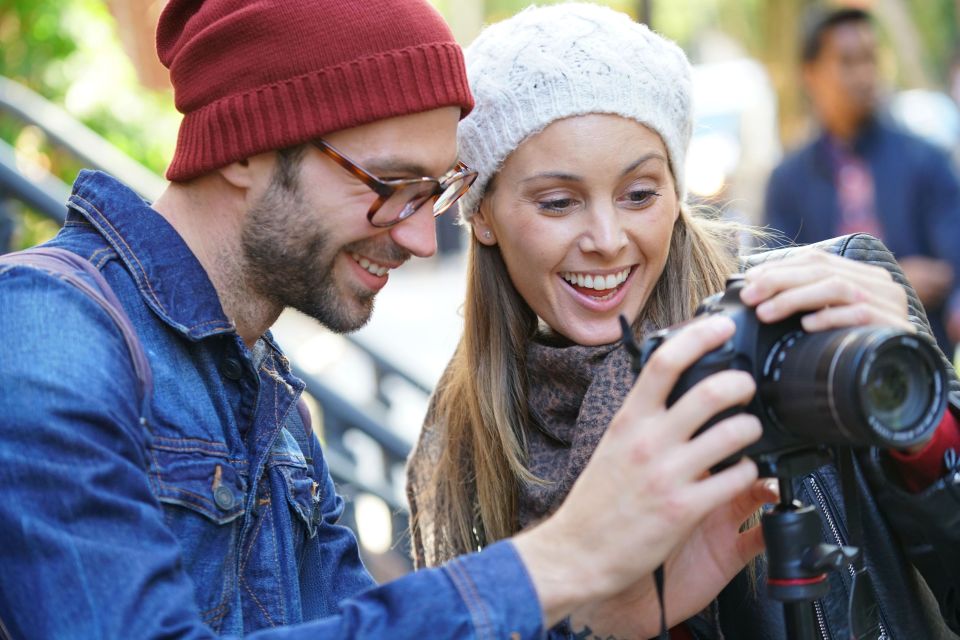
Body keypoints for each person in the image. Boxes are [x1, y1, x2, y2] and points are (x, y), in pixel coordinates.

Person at [0, 1, 780, 638]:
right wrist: (562, 560)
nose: (416, 236)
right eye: (392, 185)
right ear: (244, 147)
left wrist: (606, 619)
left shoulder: (263, 387)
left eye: (433, 193)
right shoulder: (46, 331)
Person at [407, 4, 960, 639]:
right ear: (482, 215)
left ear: (676, 192)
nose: (608, 239)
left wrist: (920, 420)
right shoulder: (469, 439)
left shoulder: (815, 323)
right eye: (558, 202)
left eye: (640, 193)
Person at [764, 7, 960, 359]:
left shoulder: (926, 160)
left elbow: (951, 266)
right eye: (848, 61)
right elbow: (775, 282)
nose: (865, 74)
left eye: (871, 59)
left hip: (923, 355)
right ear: (810, 74)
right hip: (825, 365)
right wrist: (894, 278)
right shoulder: (788, 181)